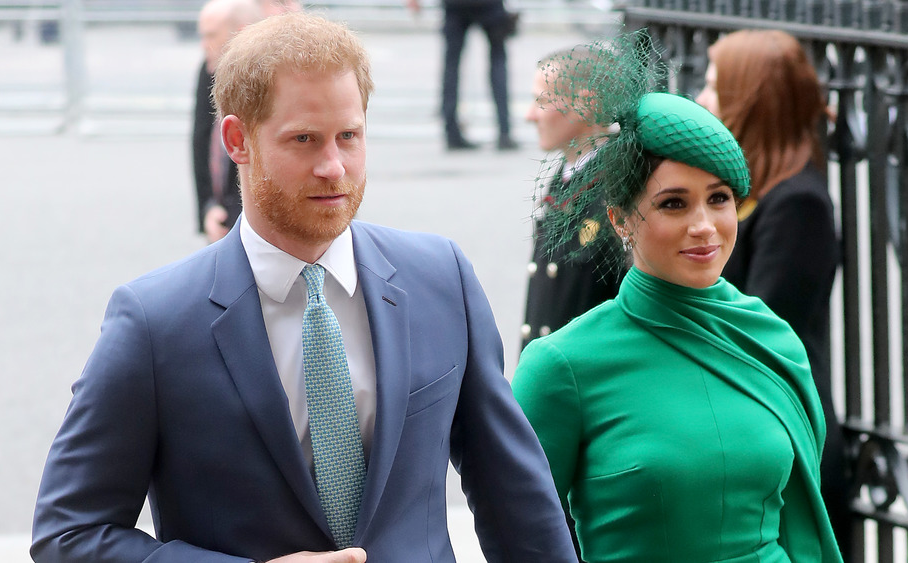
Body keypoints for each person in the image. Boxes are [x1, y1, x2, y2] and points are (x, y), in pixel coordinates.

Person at [32, 12, 576, 563]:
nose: (333, 167)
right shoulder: (153, 322)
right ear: (237, 140)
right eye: (304, 140)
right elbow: (68, 533)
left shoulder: (440, 277)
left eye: (349, 136)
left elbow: (516, 498)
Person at [511, 44, 843, 561]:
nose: (704, 226)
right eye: (673, 204)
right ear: (621, 219)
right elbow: (522, 538)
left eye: (719, 198)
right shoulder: (562, 366)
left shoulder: (771, 337)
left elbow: (802, 525)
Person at [695, 29, 850, 560]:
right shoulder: (749, 190)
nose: (701, 100)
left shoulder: (798, 204)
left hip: (779, 436)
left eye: (715, 87)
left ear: (750, 98)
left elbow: (761, 332)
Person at [520, 45, 625, 353]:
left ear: (586, 105)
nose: (529, 115)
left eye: (542, 101)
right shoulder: (566, 176)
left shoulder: (615, 190)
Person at [192, 0, 263, 243]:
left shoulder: (276, 79)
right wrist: (208, 208)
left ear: (241, 33)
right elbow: (200, 141)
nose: (204, 45)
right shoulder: (209, 68)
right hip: (222, 218)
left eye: (211, 35)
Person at [406, 0, 518, 150]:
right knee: (497, 60)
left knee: (451, 65)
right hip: (489, 5)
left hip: (455, 5)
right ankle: (504, 132)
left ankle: (451, 132)